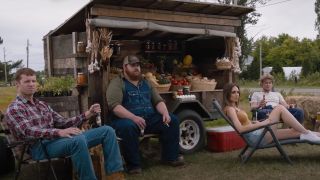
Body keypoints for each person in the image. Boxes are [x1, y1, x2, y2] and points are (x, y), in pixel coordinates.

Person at [5, 68, 124, 180]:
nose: (31, 84)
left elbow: (63, 122)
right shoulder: (15, 108)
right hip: (38, 147)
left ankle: (115, 175)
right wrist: (58, 132)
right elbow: (28, 131)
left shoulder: (41, 104)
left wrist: (87, 114)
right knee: (77, 140)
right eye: (27, 81)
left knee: (107, 131)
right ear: (17, 84)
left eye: (33, 81)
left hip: (56, 141)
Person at [107, 55, 184, 174]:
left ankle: (171, 157)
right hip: (126, 119)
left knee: (172, 120)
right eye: (133, 65)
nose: (136, 68)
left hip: (148, 119)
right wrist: (133, 117)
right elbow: (115, 107)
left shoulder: (146, 82)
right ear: (124, 67)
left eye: (137, 65)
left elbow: (158, 101)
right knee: (128, 127)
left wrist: (165, 113)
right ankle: (134, 165)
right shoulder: (117, 83)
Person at [223, 83, 320, 146]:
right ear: (227, 94)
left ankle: (309, 134)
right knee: (279, 108)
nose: (237, 94)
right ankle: (307, 134)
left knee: (295, 131)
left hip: (258, 133)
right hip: (257, 138)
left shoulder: (235, 108)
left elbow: (245, 124)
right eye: (233, 92)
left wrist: (253, 123)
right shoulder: (230, 109)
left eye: (238, 92)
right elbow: (240, 129)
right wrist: (262, 123)